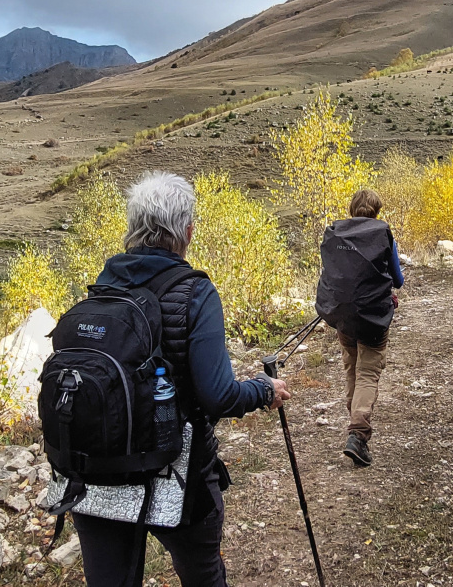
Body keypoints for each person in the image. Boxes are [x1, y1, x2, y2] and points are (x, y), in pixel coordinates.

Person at [71, 171, 290, 587]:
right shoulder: (195, 292)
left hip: (95, 474)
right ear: (187, 231)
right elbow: (218, 396)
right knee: (202, 574)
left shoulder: (98, 291)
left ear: (132, 228)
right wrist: (263, 390)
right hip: (175, 474)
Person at [315, 189, 404, 468]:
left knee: (352, 368)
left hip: (343, 317)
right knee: (368, 372)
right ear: (376, 211)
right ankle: (358, 435)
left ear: (352, 209)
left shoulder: (335, 234)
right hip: (374, 318)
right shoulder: (383, 235)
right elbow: (398, 280)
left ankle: (355, 425)